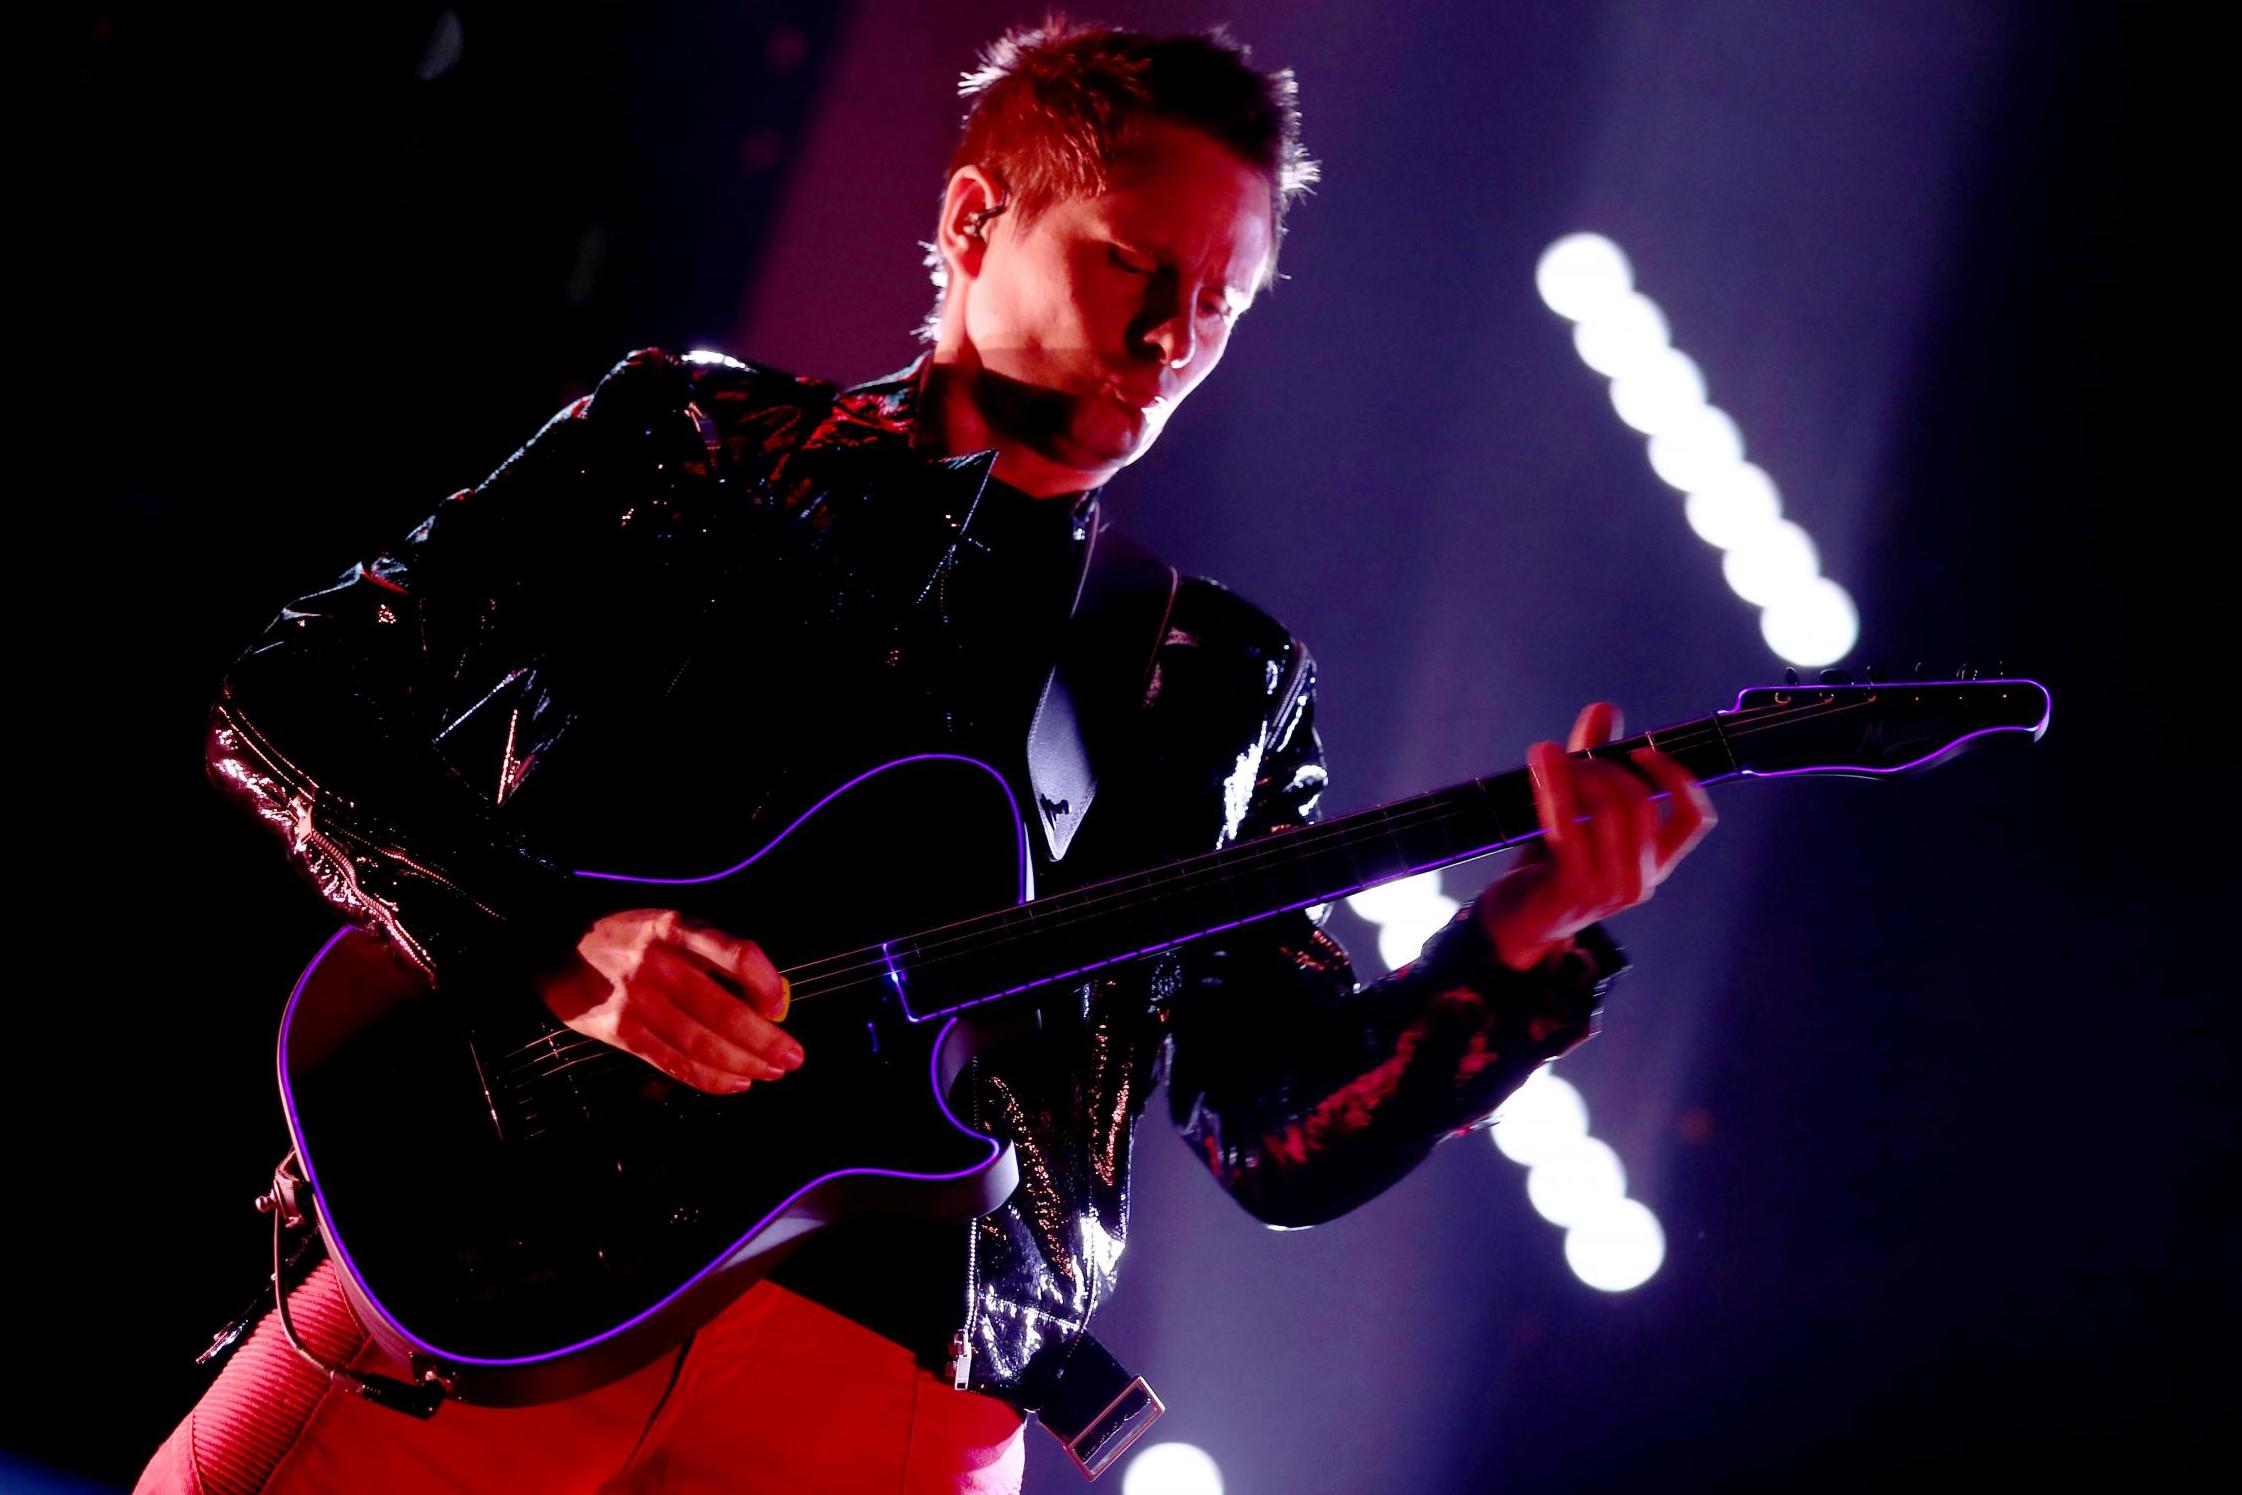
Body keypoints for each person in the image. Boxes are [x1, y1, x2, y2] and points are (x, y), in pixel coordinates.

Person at [142, 18, 1713, 1494]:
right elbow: (293, 695)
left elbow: (1271, 1136)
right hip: (510, 1258)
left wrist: (1518, 942)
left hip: (896, 1386)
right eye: (1131, 264)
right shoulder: (688, 443)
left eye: (1221, 303)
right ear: (973, 220)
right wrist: (554, 940)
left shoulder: (1222, 680)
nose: (1171, 336)